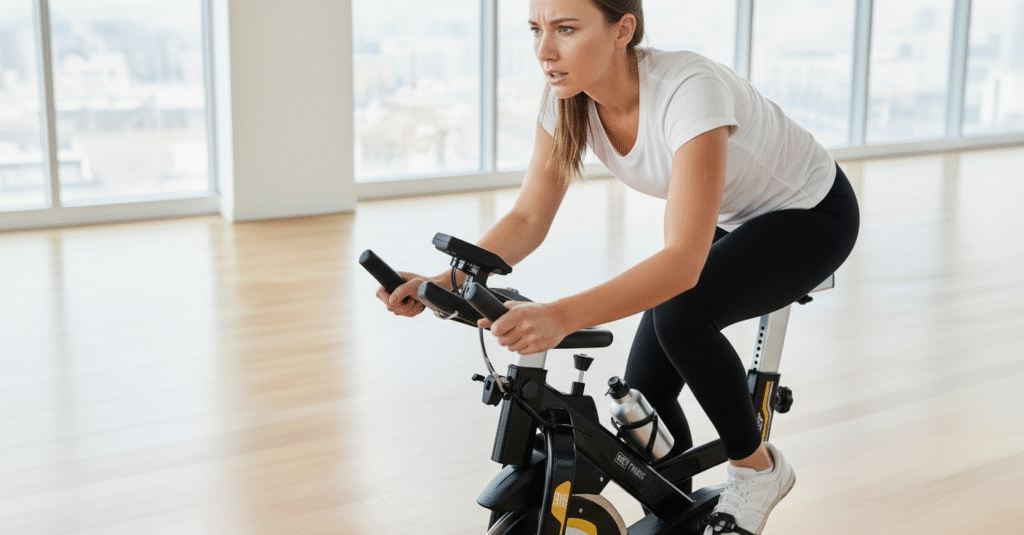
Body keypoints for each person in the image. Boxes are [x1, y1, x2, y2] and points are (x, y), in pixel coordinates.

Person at [375, 0, 860, 533]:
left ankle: (758, 469)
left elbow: (680, 262)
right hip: (734, 216)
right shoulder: (566, 99)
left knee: (681, 314)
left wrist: (560, 315)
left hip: (811, 214)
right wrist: (444, 282)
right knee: (642, 413)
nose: (545, 51)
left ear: (622, 29)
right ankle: (681, 508)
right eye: (536, 30)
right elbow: (529, 216)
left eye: (565, 29)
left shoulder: (687, 89)